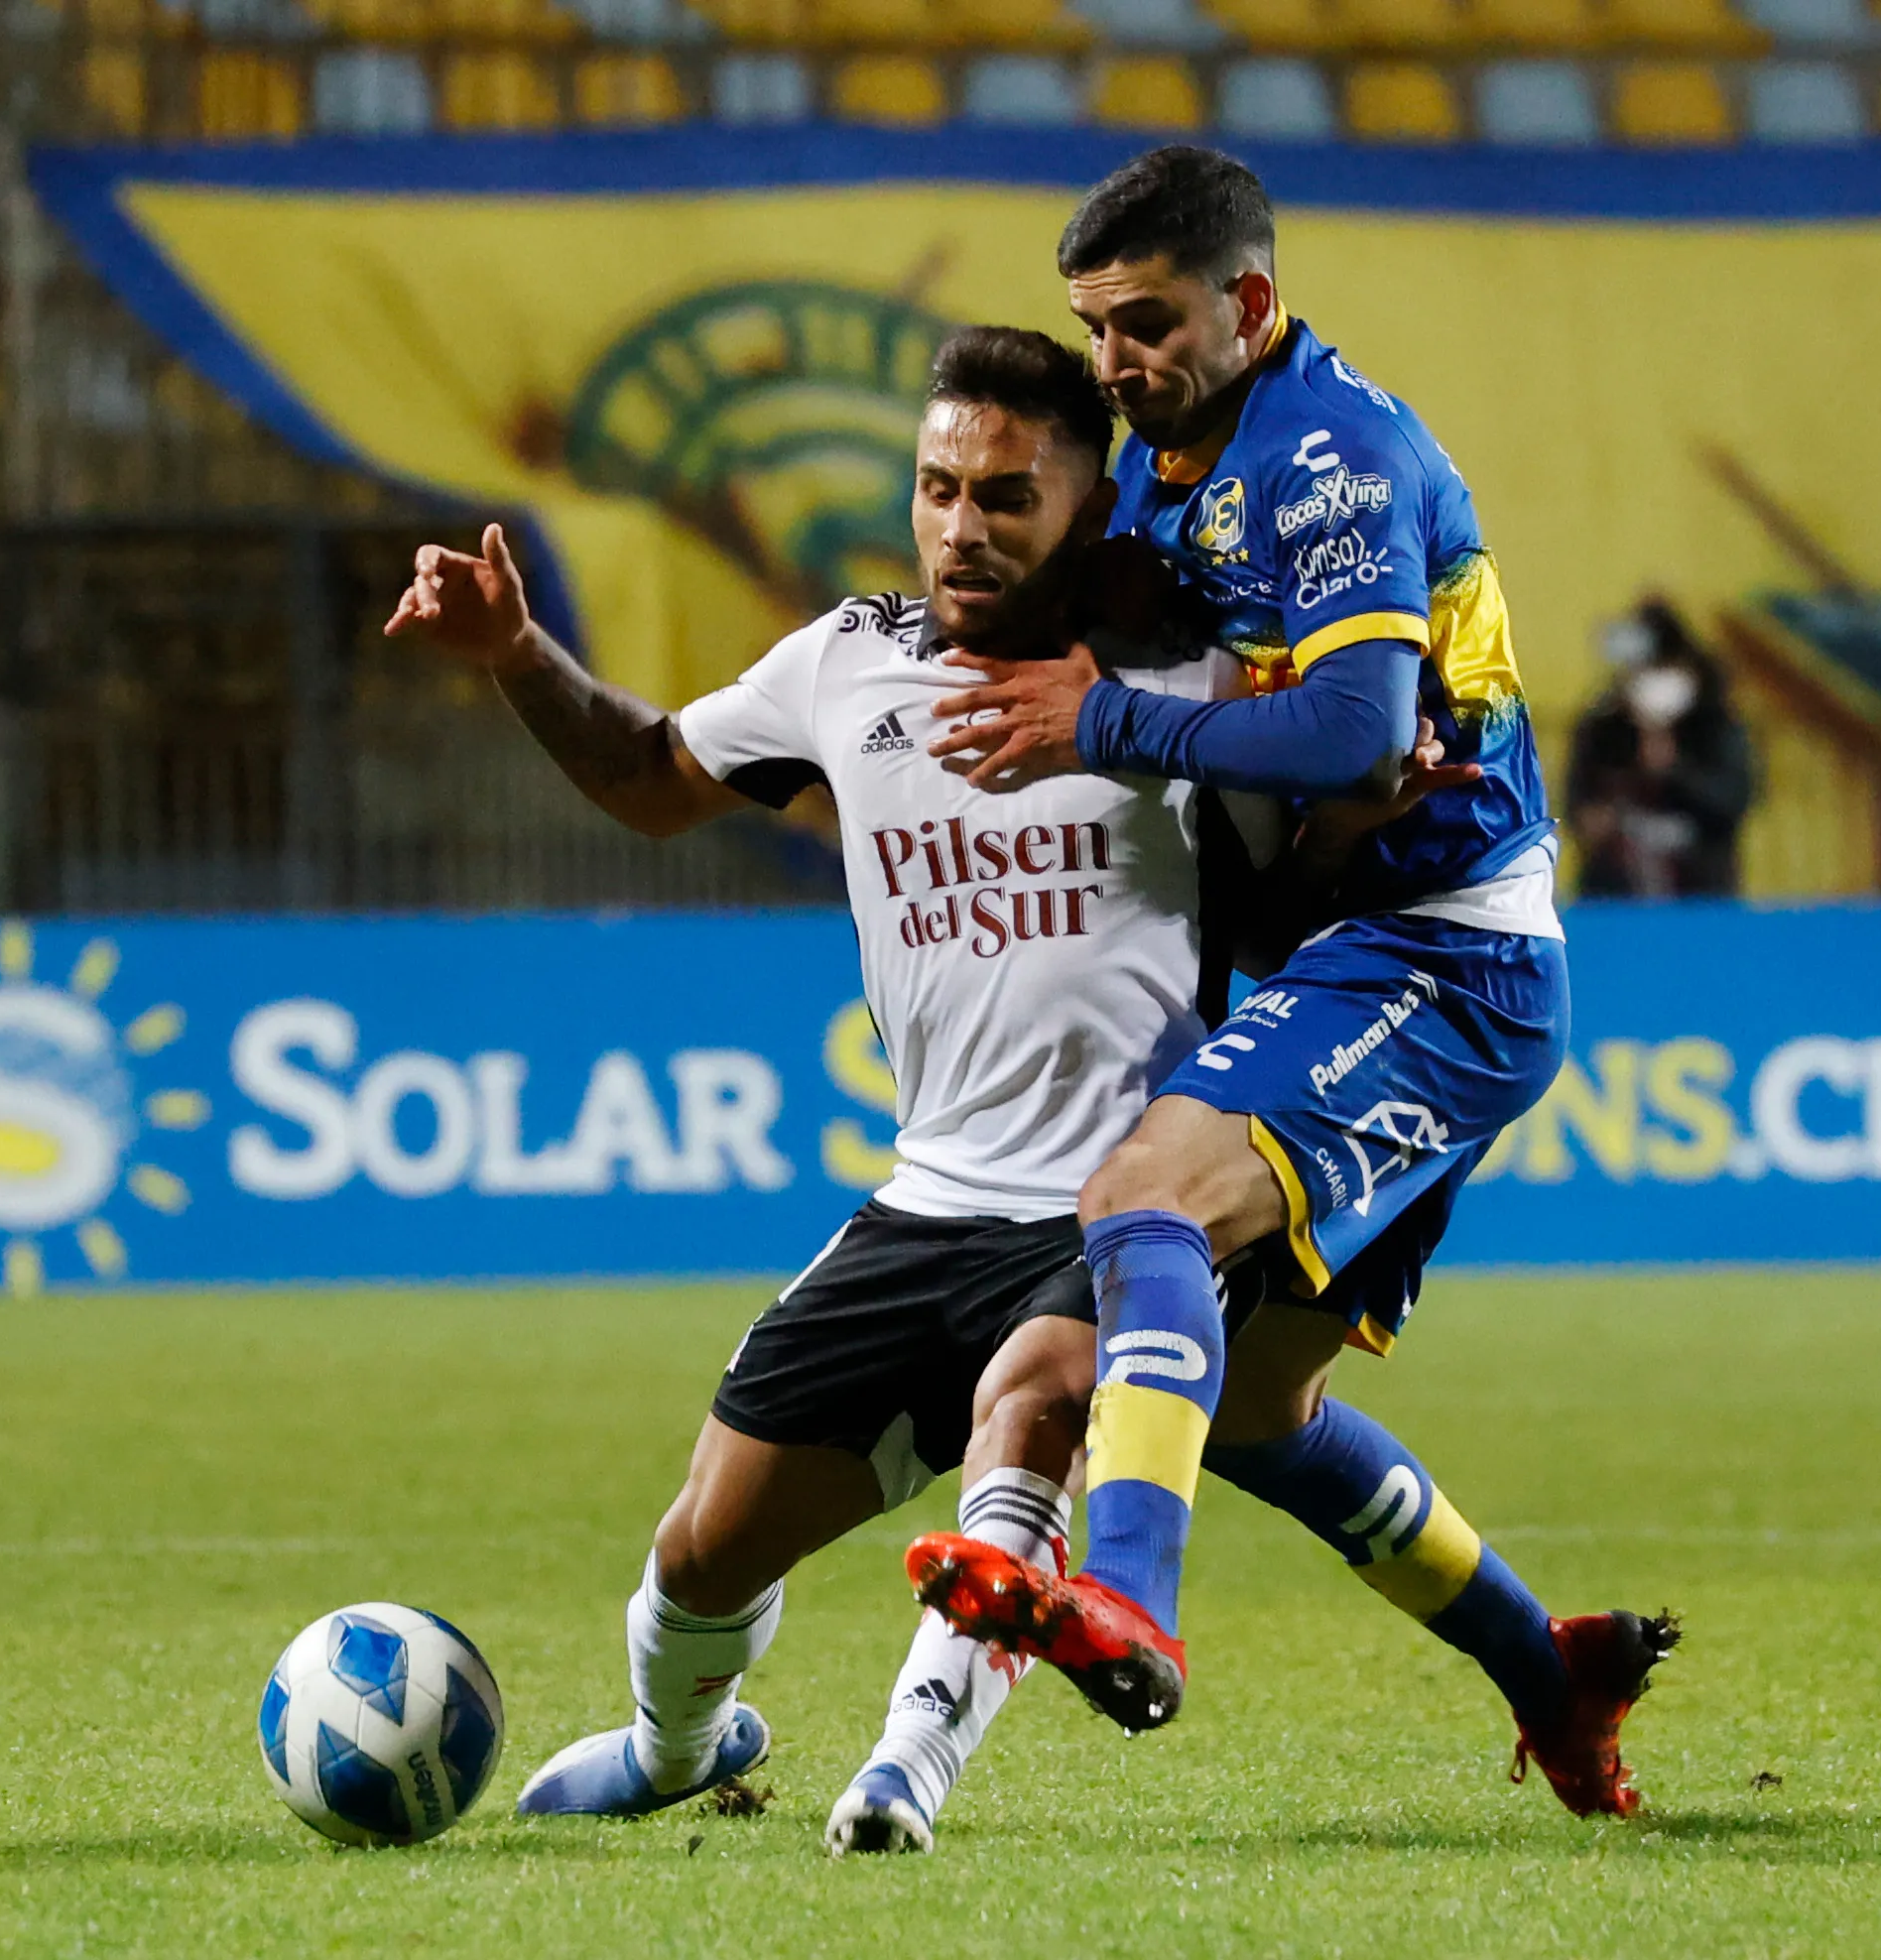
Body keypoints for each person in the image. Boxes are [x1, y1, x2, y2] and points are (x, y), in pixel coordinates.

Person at [383, 324, 1545, 1855]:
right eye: (938, 487)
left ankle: (907, 1770)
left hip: (1117, 1196)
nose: (959, 526)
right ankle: (684, 1744)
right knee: (698, 1556)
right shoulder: (845, 661)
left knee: (1040, 1412)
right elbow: (650, 781)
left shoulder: (1193, 683)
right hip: (923, 1201)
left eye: (1006, 495)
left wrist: (1358, 824)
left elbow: (1275, 928)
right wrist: (518, 657)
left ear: (1090, 500)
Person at [906, 148, 1677, 1817]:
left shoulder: (1322, 453)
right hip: (1370, 945)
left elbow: (1343, 726)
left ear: (1245, 302)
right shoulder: (1176, 464)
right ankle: (1550, 1674)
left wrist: (1091, 717)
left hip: (1442, 948)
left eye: (1147, 320)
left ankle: (1132, 1605)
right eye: (1093, 326)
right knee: (1251, 1405)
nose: (1115, 357)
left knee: (1143, 1205)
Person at [1566, 597, 1757, 899]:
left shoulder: (1716, 728)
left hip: (1701, 895)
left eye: (1660, 667)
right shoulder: (1601, 730)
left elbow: (1733, 801)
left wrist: (1675, 771)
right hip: (1616, 898)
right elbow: (1578, 807)